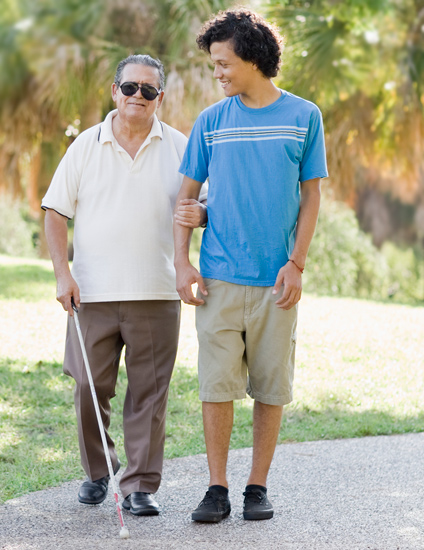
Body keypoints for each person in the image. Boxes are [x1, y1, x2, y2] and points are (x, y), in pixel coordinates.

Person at [173, 9, 327, 523]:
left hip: (275, 281)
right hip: (217, 278)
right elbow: (186, 199)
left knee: (270, 386)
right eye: (213, 63)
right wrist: (183, 262)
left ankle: (256, 486)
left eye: (224, 62)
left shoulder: (304, 116)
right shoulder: (211, 122)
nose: (216, 72)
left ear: (254, 59)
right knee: (216, 386)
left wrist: (296, 264)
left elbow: (311, 199)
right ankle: (216, 488)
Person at [42, 54, 205, 516]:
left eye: (148, 90)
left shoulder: (180, 146)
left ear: (160, 97)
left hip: (156, 292)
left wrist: (201, 222)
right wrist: (62, 273)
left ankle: (139, 485)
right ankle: (98, 471)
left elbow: (203, 205)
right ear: (114, 90)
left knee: (150, 394)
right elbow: (55, 211)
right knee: (88, 385)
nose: (138, 96)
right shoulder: (85, 146)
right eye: (130, 87)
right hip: (91, 293)